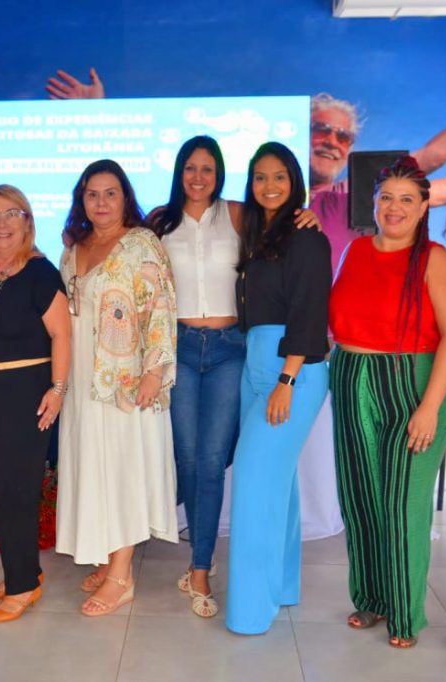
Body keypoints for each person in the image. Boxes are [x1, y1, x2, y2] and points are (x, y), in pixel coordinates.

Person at [47, 55, 446, 269]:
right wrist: (101, 113)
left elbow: (436, 164)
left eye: (342, 135)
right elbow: (136, 215)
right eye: (321, 129)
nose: (331, 140)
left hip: (330, 351)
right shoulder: (250, 202)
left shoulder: (355, 199)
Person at [147, 135, 319, 618]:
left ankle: (201, 568)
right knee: (187, 458)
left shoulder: (241, 215)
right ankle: (199, 559)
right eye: (190, 168)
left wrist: (309, 216)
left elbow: (286, 228)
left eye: (208, 168)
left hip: (230, 350)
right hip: (179, 347)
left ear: (220, 173)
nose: (198, 177)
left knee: (212, 457)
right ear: (179, 172)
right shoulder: (160, 222)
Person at [328, 157, 446, 648]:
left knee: (403, 503)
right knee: (361, 497)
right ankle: (371, 597)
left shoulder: (435, 259)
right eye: (387, 197)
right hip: (352, 378)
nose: (395, 207)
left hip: (413, 385)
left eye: (407, 199)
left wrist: (430, 408)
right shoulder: (355, 250)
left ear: (424, 206)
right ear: (374, 203)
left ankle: (405, 614)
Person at [57, 159, 178, 617]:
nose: (101, 202)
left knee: (124, 471)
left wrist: (154, 373)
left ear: (125, 197)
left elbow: (163, 309)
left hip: (127, 381)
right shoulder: (74, 247)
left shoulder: (142, 243)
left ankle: (122, 577)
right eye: (92, 194)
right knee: (95, 467)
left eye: (110, 193)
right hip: (82, 379)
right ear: (81, 200)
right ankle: (110, 559)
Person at [226, 142, 331, 635]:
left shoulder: (306, 237)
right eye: (260, 177)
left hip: (293, 370)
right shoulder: (258, 234)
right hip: (255, 363)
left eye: (280, 177)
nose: (269, 186)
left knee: (252, 485)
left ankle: (250, 611)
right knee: (277, 485)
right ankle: (283, 586)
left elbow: (309, 311)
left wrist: (286, 379)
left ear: (295, 182)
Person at [0, 185, 71, 623]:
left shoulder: (40, 273)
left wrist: (57, 390)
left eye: (12, 214)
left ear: (28, 222)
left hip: (24, 391)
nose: (1, 223)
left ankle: (22, 588)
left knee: (16, 489)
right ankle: (20, 574)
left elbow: (62, 334)